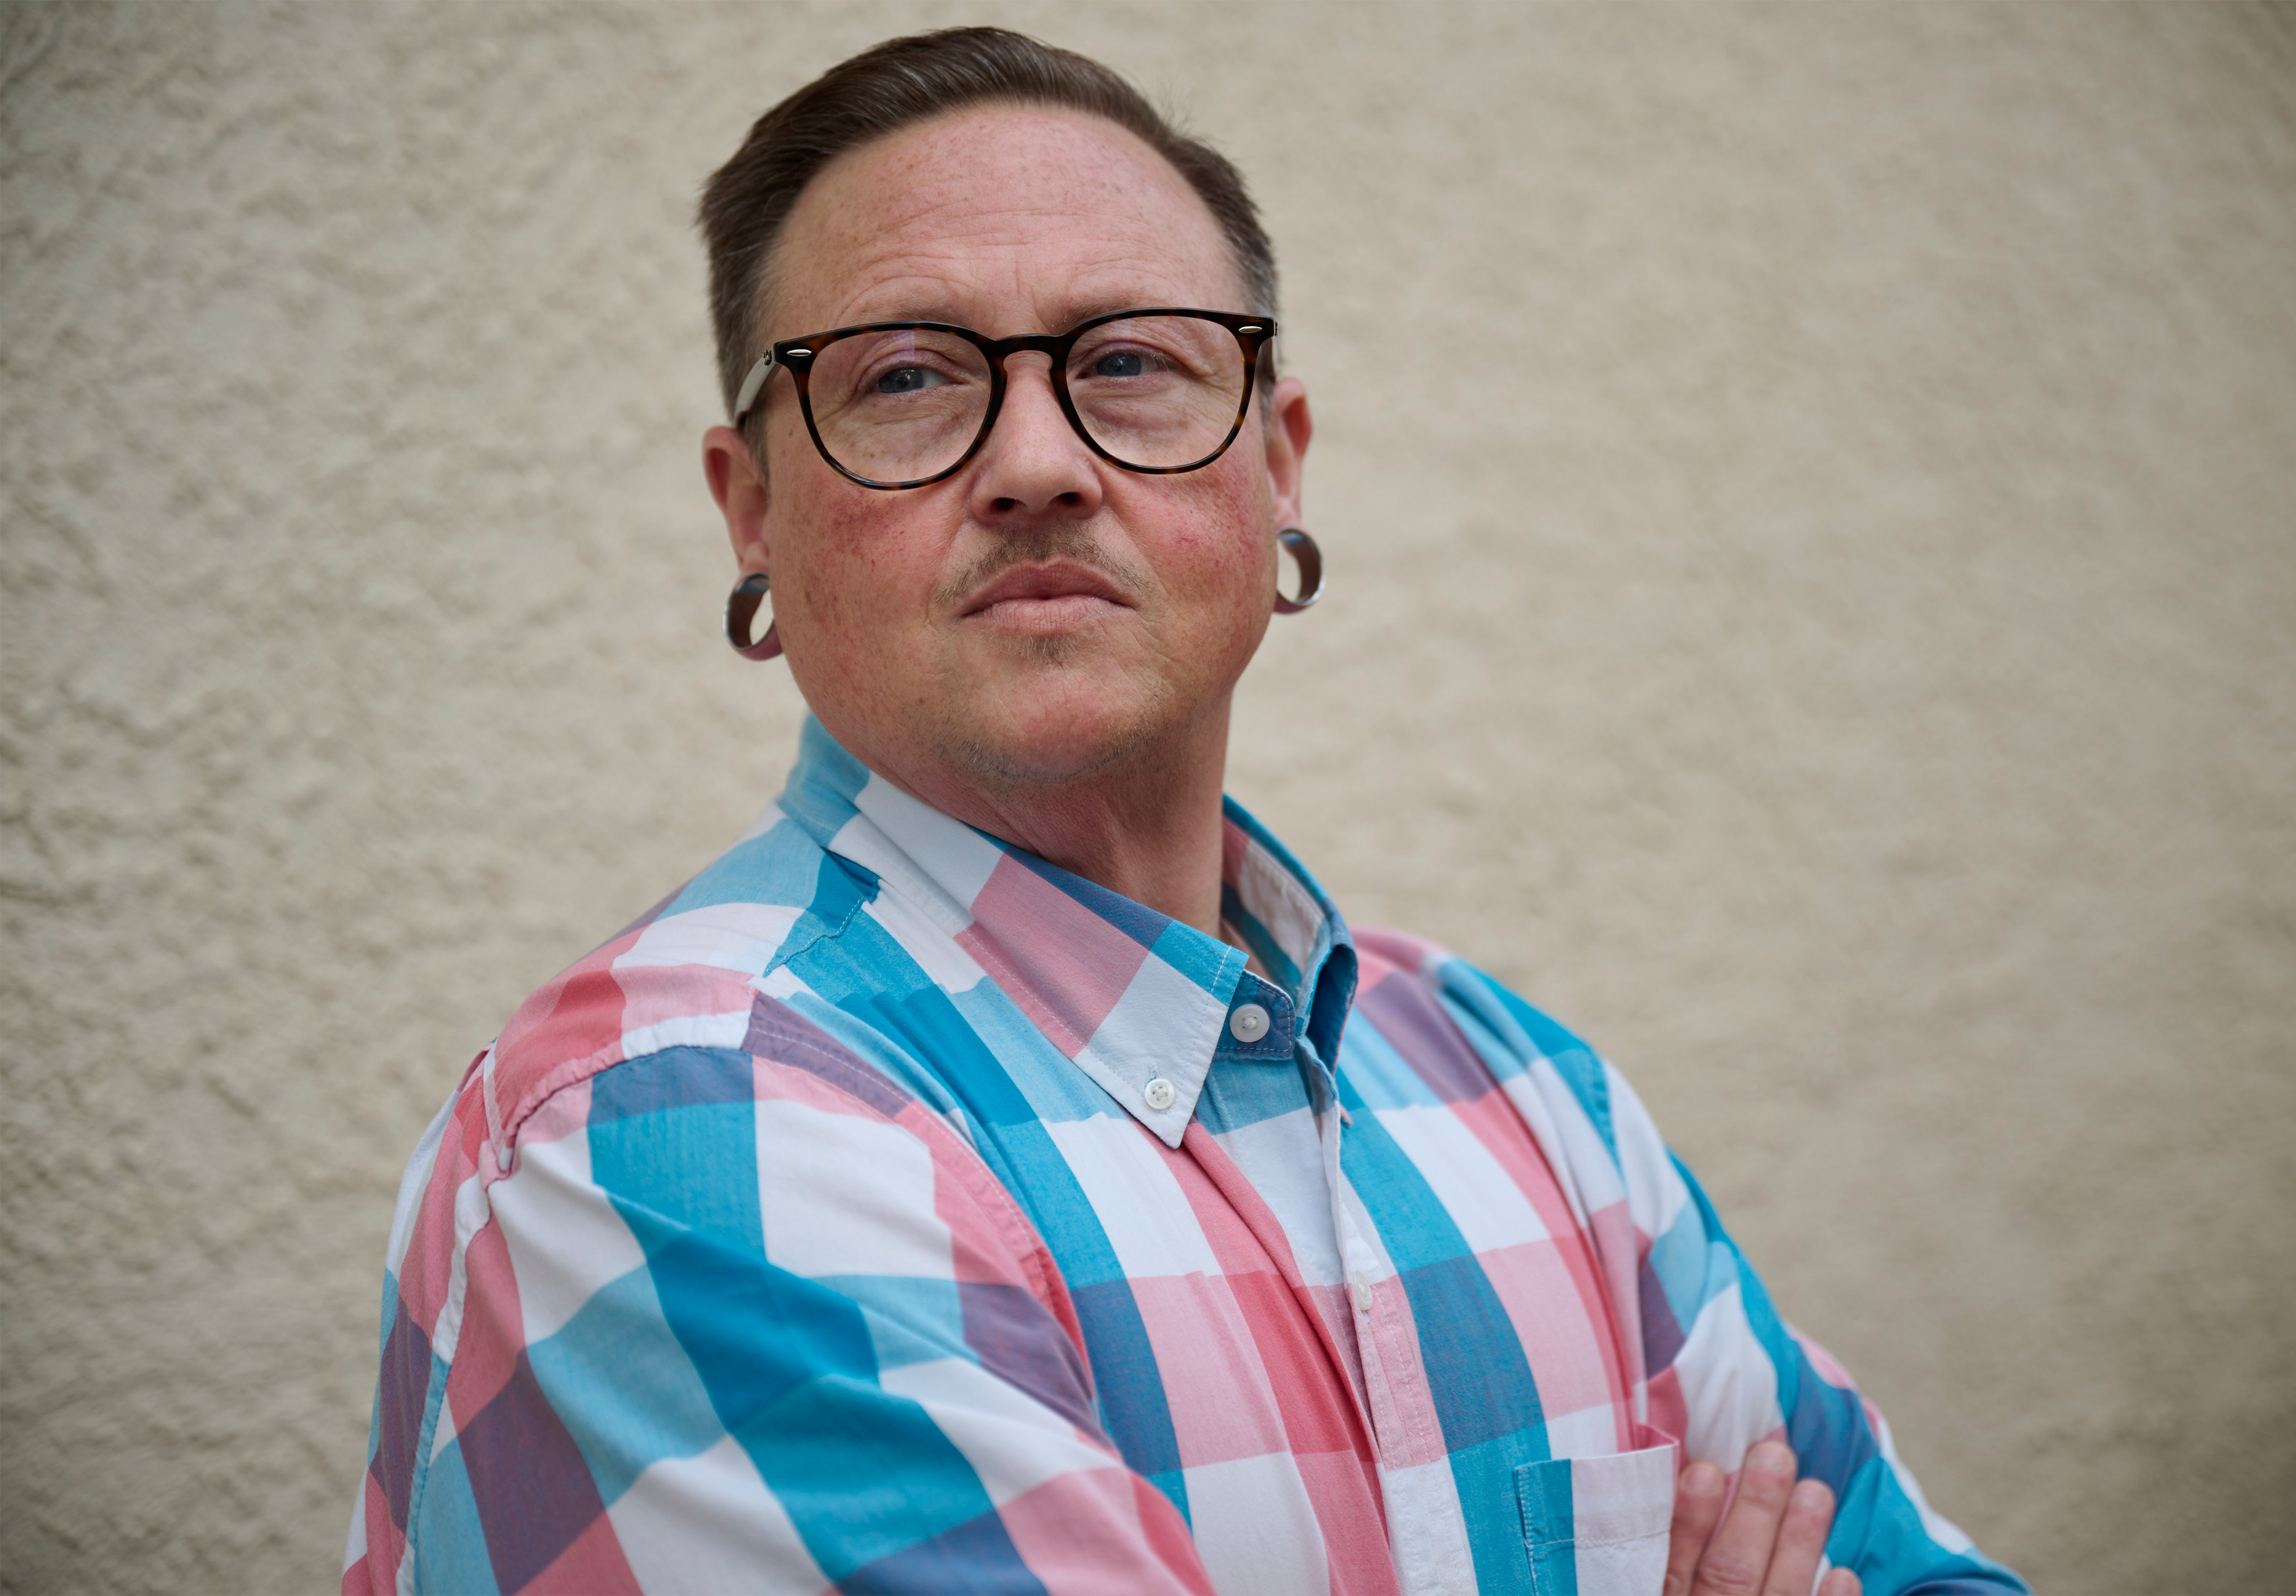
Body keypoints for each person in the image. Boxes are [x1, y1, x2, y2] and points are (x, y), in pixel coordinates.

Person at [343, 27, 2027, 1596]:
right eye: (909, 379)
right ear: (753, 511)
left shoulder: (1519, 1092)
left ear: (1276, 466)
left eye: (1131, 362)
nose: (1037, 463)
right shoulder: (667, 1133)